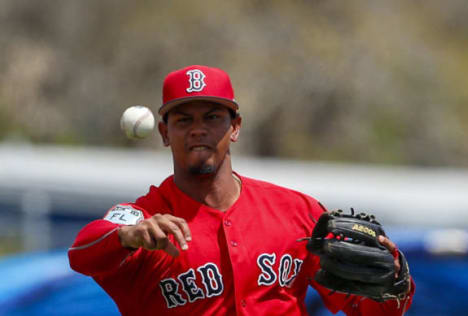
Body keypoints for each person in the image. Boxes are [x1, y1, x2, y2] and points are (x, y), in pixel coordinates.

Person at [68, 65, 414, 315]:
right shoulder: (146, 219)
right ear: (163, 133)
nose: (198, 130)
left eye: (212, 117)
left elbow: (366, 308)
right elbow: (82, 251)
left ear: (235, 127)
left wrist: (395, 281)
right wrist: (126, 236)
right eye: (184, 120)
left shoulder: (297, 211)